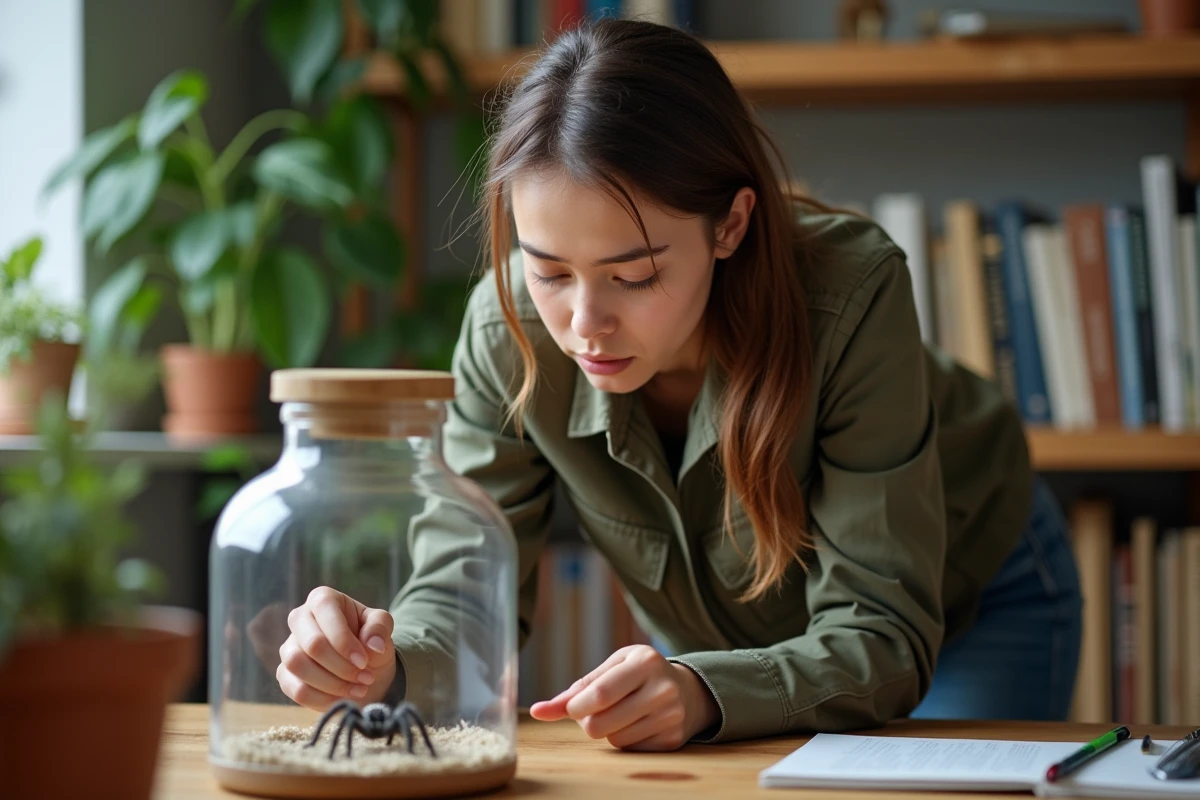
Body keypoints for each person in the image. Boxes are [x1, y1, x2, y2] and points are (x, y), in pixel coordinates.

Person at [272, 18, 1082, 751]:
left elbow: (882, 629)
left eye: (634, 275)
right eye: (549, 270)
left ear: (731, 224)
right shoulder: (504, 328)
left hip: (970, 589)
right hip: (734, 660)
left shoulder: (852, 291)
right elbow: (462, 595)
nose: (585, 322)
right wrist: (380, 667)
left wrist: (704, 688)